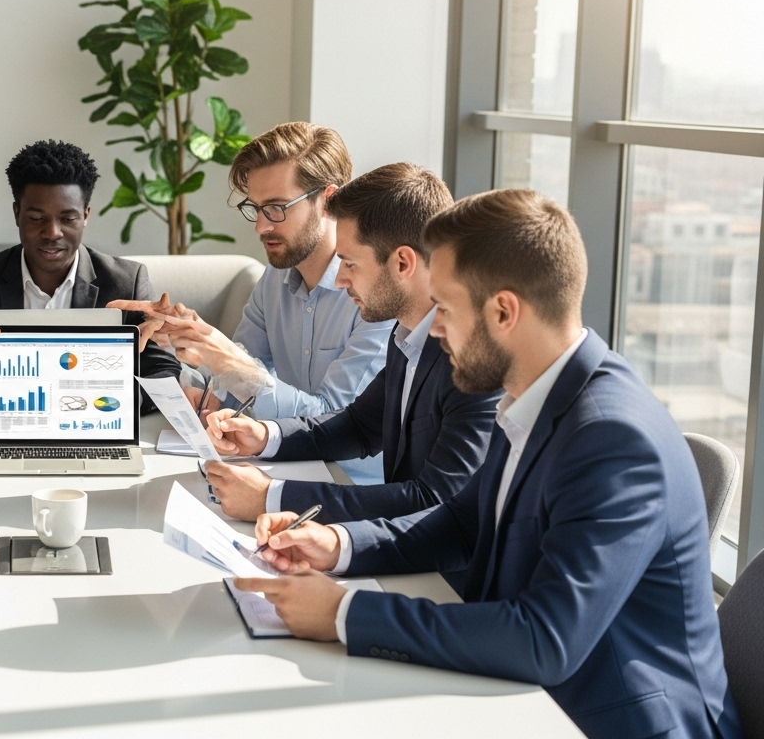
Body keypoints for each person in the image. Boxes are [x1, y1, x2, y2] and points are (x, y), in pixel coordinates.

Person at [234, 190, 740, 739]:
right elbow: (461, 521)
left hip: (607, 719)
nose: (434, 329)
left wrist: (344, 615)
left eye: (445, 308)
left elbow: (545, 639)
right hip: (524, 693)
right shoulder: (532, 393)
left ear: (503, 311)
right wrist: (339, 545)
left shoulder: (613, 440)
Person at [202, 164, 499, 536]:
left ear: (403, 263)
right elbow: (359, 426)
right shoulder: (408, 332)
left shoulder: (471, 360)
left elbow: (432, 499)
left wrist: (274, 497)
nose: (340, 280)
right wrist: (264, 435)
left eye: (350, 263)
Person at [110, 123, 392, 483]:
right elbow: (238, 387)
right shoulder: (276, 276)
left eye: (276, 208)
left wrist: (226, 357)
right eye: (255, 208)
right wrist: (191, 345)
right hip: (281, 466)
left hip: (350, 484)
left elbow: (337, 423)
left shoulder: (374, 292)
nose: (260, 226)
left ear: (328, 200)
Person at [0, 139, 181, 413]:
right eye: (36, 218)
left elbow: (163, 372)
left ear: (86, 215)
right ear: (17, 213)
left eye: (67, 219)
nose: (52, 232)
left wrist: (106, 404)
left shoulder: (126, 282)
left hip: (92, 426)